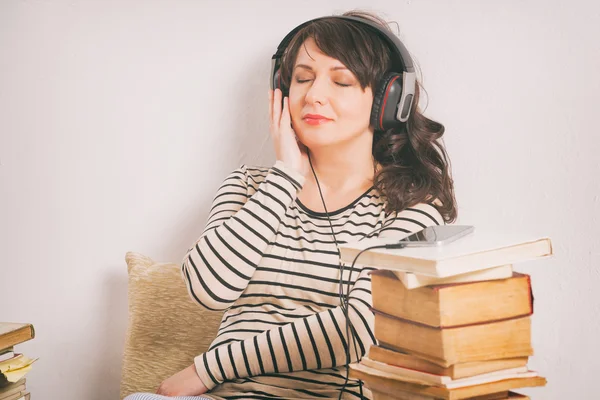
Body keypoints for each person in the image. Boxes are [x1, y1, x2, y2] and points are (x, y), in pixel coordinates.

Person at [125, 9, 457, 400]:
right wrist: (284, 177)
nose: (314, 95)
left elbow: (364, 327)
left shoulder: (411, 206)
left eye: (342, 81)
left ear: (388, 101)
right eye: (302, 78)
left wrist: (209, 368)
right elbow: (207, 288)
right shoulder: (249, 185)